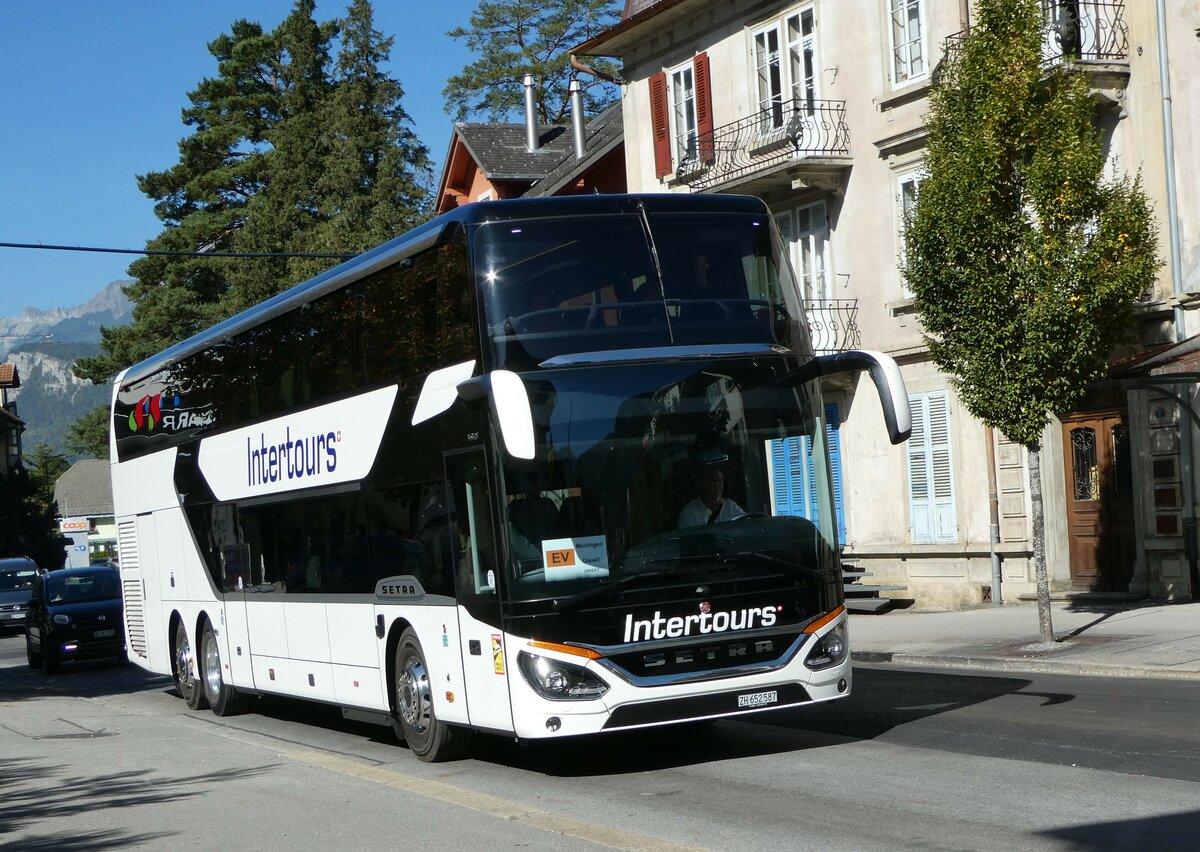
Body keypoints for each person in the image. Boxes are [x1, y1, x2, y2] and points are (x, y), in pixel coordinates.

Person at [677, 467, 744, 527]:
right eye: (713, 481)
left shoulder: (730, 506)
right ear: (702, 484)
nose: (717, 484)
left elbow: (746, 522)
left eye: (720, 481)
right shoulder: (689, 513)